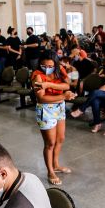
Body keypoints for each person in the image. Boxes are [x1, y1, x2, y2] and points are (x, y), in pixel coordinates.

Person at [32, 53, 75, 185]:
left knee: (60, 139)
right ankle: (50, 171)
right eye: (44, 65)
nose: (47, 68)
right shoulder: (37, 75)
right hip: (46, 109)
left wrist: (48, 85)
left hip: (59, 107)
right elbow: (41, 98)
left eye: (50, 66)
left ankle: (56, 164)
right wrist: (63, 96)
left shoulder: (59, 69)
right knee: (50, 143)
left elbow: (68, 85)